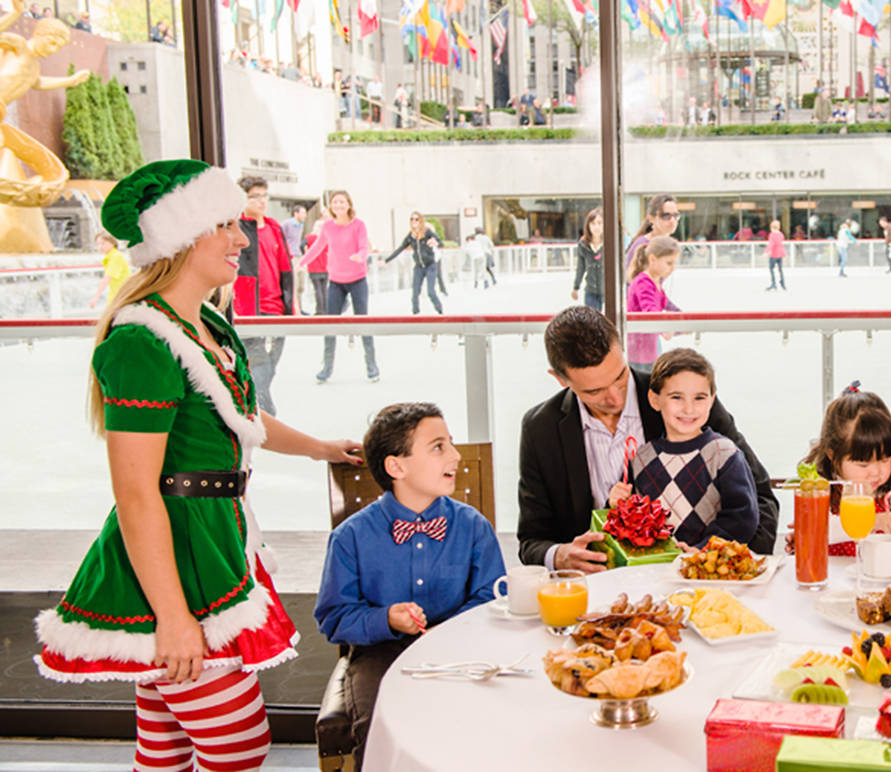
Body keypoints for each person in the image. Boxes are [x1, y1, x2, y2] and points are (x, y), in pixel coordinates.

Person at [34, 159, 363, 771]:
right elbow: (135, 494)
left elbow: (243, 421)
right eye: (225, 225)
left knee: (166, 750)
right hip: (178, 565)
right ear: (180, 236)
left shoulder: (206, 322)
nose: (242, 239)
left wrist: (322, 447)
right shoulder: (140, 341)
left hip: (212, 541)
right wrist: (173, 616)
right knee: (237, 747)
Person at [516, 305, 779, 571]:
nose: (615, 399)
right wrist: (559, 555)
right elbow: (531, 540)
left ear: (622, 348)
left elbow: (761, 498)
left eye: (620, 377)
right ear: (560, 379)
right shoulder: (541, 429)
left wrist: (730, 568)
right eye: (594, 391)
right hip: (592, 590)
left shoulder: (682, 402)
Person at [314, 402, 503, 768]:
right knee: (379, 727)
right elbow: (334, 618)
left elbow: (491, 596)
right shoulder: (350, 537)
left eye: (450, 443)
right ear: (395, 466)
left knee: (482, 722)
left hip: (459, 649)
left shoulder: (473, 526)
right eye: (438, 447)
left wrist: (448, 627)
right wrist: (386, 619)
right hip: (380, 654)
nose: (455, 455)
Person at [605, 349, 759, 548]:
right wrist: (614, 503)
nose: (688, 409)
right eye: (677, 397)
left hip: (706, 570)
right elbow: (628, 520)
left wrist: (701, 550)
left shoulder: (724, 454)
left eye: (699, 398)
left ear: (712, 400)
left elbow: (742, 519)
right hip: (654, 568)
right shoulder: (641, 459)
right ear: (655, 400)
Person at [798, 383, 891, 557]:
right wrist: (871, 522)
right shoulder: (822, 490)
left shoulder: (886, 497)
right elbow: (815, 530)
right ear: (832, 455)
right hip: (830, 577)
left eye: (885, 459)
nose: (876, 472)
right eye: (863, 464)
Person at [298, 190, 379, 383]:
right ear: (331, 207)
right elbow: (317, 247)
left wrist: (360, 256)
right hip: (335, 281)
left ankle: (371, 365)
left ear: (349, 204)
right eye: (335, 203)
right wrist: (301, 263)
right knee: (330, 325)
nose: (339, 206)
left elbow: (362, 246)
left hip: (358, 280)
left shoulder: (359, 225)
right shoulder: (327, 227)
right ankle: (327, 367)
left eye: (342, 202)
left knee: (363, 323)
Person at [233, 175, 295, 416]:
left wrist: (292, 306)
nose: (261, 201)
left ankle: (257, 406)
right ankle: (265, 413)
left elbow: (286, 267)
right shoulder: (236, 228)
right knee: (259, 362)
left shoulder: (273, 227)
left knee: (270, 364)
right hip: (249, 309)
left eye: (264, 195)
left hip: (277, 307)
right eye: (254, 196)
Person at [625, 235, 681, 374]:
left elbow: (666, 304)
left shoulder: (655, 281)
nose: (672, 268)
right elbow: (651, 312)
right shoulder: (643, 282)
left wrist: (683, 318)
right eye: (668, 263)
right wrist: (665, 329)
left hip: (649, 348)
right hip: (640, 352)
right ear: (652, 259)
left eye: (674, 263)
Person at [385, 211, 443, 314]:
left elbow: (440, 242)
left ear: (420, 221)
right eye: (412, 219)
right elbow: (400, 249)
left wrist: (436, 242)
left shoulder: (427, 232)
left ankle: (440, 310)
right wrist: (386, 260)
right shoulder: (410, 236)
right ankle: (415, 313)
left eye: (416, 219)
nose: (414, 221)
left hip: (430, 265)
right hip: (419, 267)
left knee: (431, 292)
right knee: (415, 293)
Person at [625, 194, 680, 270]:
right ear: (651, 218)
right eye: (666, 216)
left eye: (676, 215)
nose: (672, 220)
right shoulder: (643, 244)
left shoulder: (667, 244)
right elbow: (632, 279)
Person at [572, 207, 605, 311]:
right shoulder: (583, 245)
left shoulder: (610, 244)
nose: (596, 227)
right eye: (593, 223)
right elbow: (580, 268)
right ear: (588, 225)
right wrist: (576, 287)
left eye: (600, 223)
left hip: (607, 292)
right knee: (592, 322)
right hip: (591, 292)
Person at [89, 230, 129, 309]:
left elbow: (107, 278)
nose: (100, 247)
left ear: (112, 243)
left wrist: (96, 297)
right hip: (117, 296)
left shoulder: (115, 257)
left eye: (103, 243)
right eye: (98, 244)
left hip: (120, 297)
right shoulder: (111, 257)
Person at [302, 218, 329, 315]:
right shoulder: (327, 238)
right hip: (325, 267)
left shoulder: (309, 238)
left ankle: (319, 311)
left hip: (313, 267)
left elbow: (301, 245)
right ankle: (326, 310)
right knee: (324, 289)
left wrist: (305, 253)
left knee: (317, 290)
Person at [765, 219, 787, 291]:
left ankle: (774, 284)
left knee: (771, 268)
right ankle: (782, 283)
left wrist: (766, 252)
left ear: (772, 227)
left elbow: (771, 244)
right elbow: (781, 243)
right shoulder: (781, 234)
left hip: (774, 254)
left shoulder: (772, 235)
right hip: (780, 254)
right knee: (780, 269)